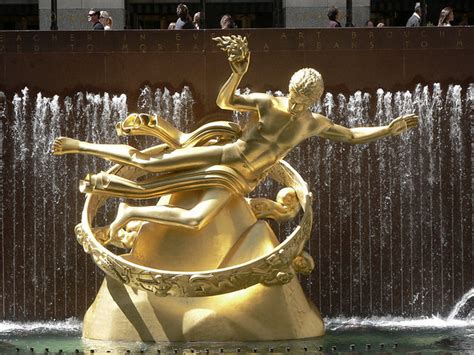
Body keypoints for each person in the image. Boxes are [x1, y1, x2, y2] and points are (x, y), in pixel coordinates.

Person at [52, 35, 418, 238]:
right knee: (147, 160)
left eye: (303, 99)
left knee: (196, 220)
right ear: (289, 89)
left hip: (240, 180)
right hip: (225, 156)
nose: (295, 102)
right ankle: (79, 146)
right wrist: (237, 73)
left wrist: (387, 129)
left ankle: (130, 210)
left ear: (313, 100)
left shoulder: (314, 123)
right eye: (294, 95)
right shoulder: (268, 103)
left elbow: (352, 134)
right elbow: (224, 100)